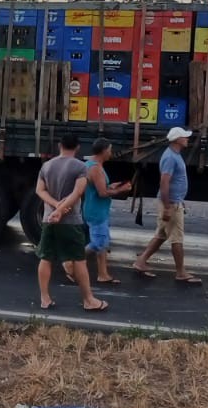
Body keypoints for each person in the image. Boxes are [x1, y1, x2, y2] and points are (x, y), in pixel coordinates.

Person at [34, 134, 109, 312]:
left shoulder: (47, 165)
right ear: (77, 148)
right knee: (78, 260)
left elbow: (39, 190)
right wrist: (61, 209)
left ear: (59, 145)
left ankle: (45, 298)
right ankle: (88, 300)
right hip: (71, 221)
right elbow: (77, 192)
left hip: (48, 219)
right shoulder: (80, 166)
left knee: (46, 258)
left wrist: (54, 206)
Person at [132, 126, 202, 285]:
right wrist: (169, 206)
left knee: (162, 234)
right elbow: (164, 182)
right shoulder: (170, 157)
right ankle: (181, 272)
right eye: (184, 137)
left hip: (173, 201)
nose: (187, 139)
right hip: (170, 203)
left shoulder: (174, 155)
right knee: (177, 238)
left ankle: (141, 261)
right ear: (177, 139)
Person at [81, 138, 134, 286]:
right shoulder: (95, 168)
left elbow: (100, 187)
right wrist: (120, 190)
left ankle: (103, 274)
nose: (111, 153)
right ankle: (72, 262)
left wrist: (112, 185)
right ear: (103, 151)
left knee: (103, 244)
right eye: (110, 150)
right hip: (96, 211)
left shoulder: (93, 165)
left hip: (96, 209)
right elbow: (102, 193)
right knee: (98, 243)